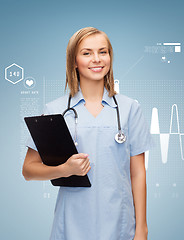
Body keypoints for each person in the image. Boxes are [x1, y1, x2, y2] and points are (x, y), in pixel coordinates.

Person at [22, 27, 154, 240]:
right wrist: (64, 169)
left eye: (103, 52)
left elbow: (138, 173)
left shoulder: (130, 109)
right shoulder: (55, 110)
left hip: (120, 224)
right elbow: (29, 170)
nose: (97, 59)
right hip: (71, 222)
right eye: (87, 53)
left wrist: (142, 229)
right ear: (74, 61)